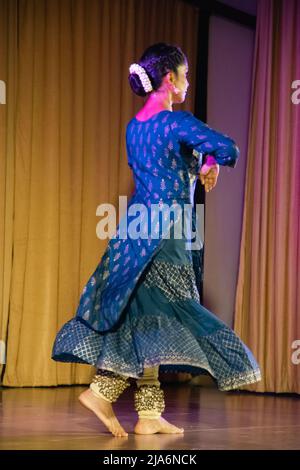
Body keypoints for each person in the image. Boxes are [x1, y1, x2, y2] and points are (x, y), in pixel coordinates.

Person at [51, 42, 261, 437]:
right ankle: (101, 390)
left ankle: (148, 412)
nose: (188, 81)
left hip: (134, 230)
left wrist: (207, 161)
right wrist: (214, 159)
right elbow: (228, 145)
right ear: (170, 78)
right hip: (167, 232)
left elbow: (185, 157)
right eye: (185, 74)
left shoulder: (135, 127)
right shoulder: (175, 123)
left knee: (147, 318)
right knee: (172, 311)